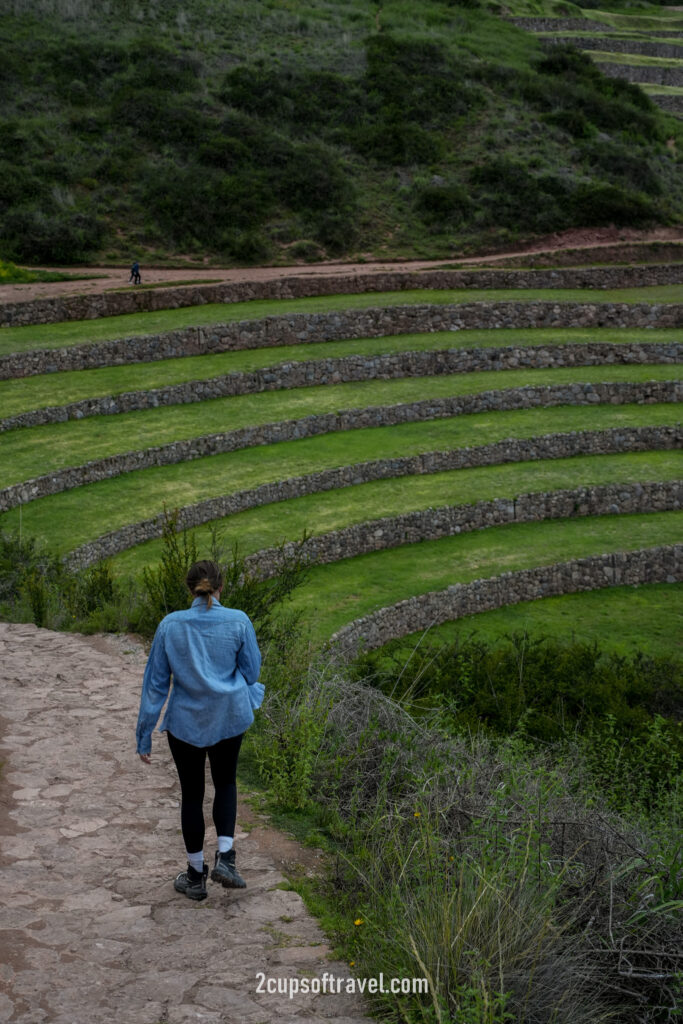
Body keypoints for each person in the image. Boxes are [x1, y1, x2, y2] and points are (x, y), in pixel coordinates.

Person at [136, 560, 264, 901]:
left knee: (192, 794)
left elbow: (155, 685)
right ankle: (227, 857)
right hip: (228, 716)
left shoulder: (169, 626)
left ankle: (195, 877)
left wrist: (144, 732)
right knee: (226, 782)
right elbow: (251, 673)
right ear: (221, 587)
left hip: (185, 721)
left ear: (189, 588)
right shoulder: (239, 621)